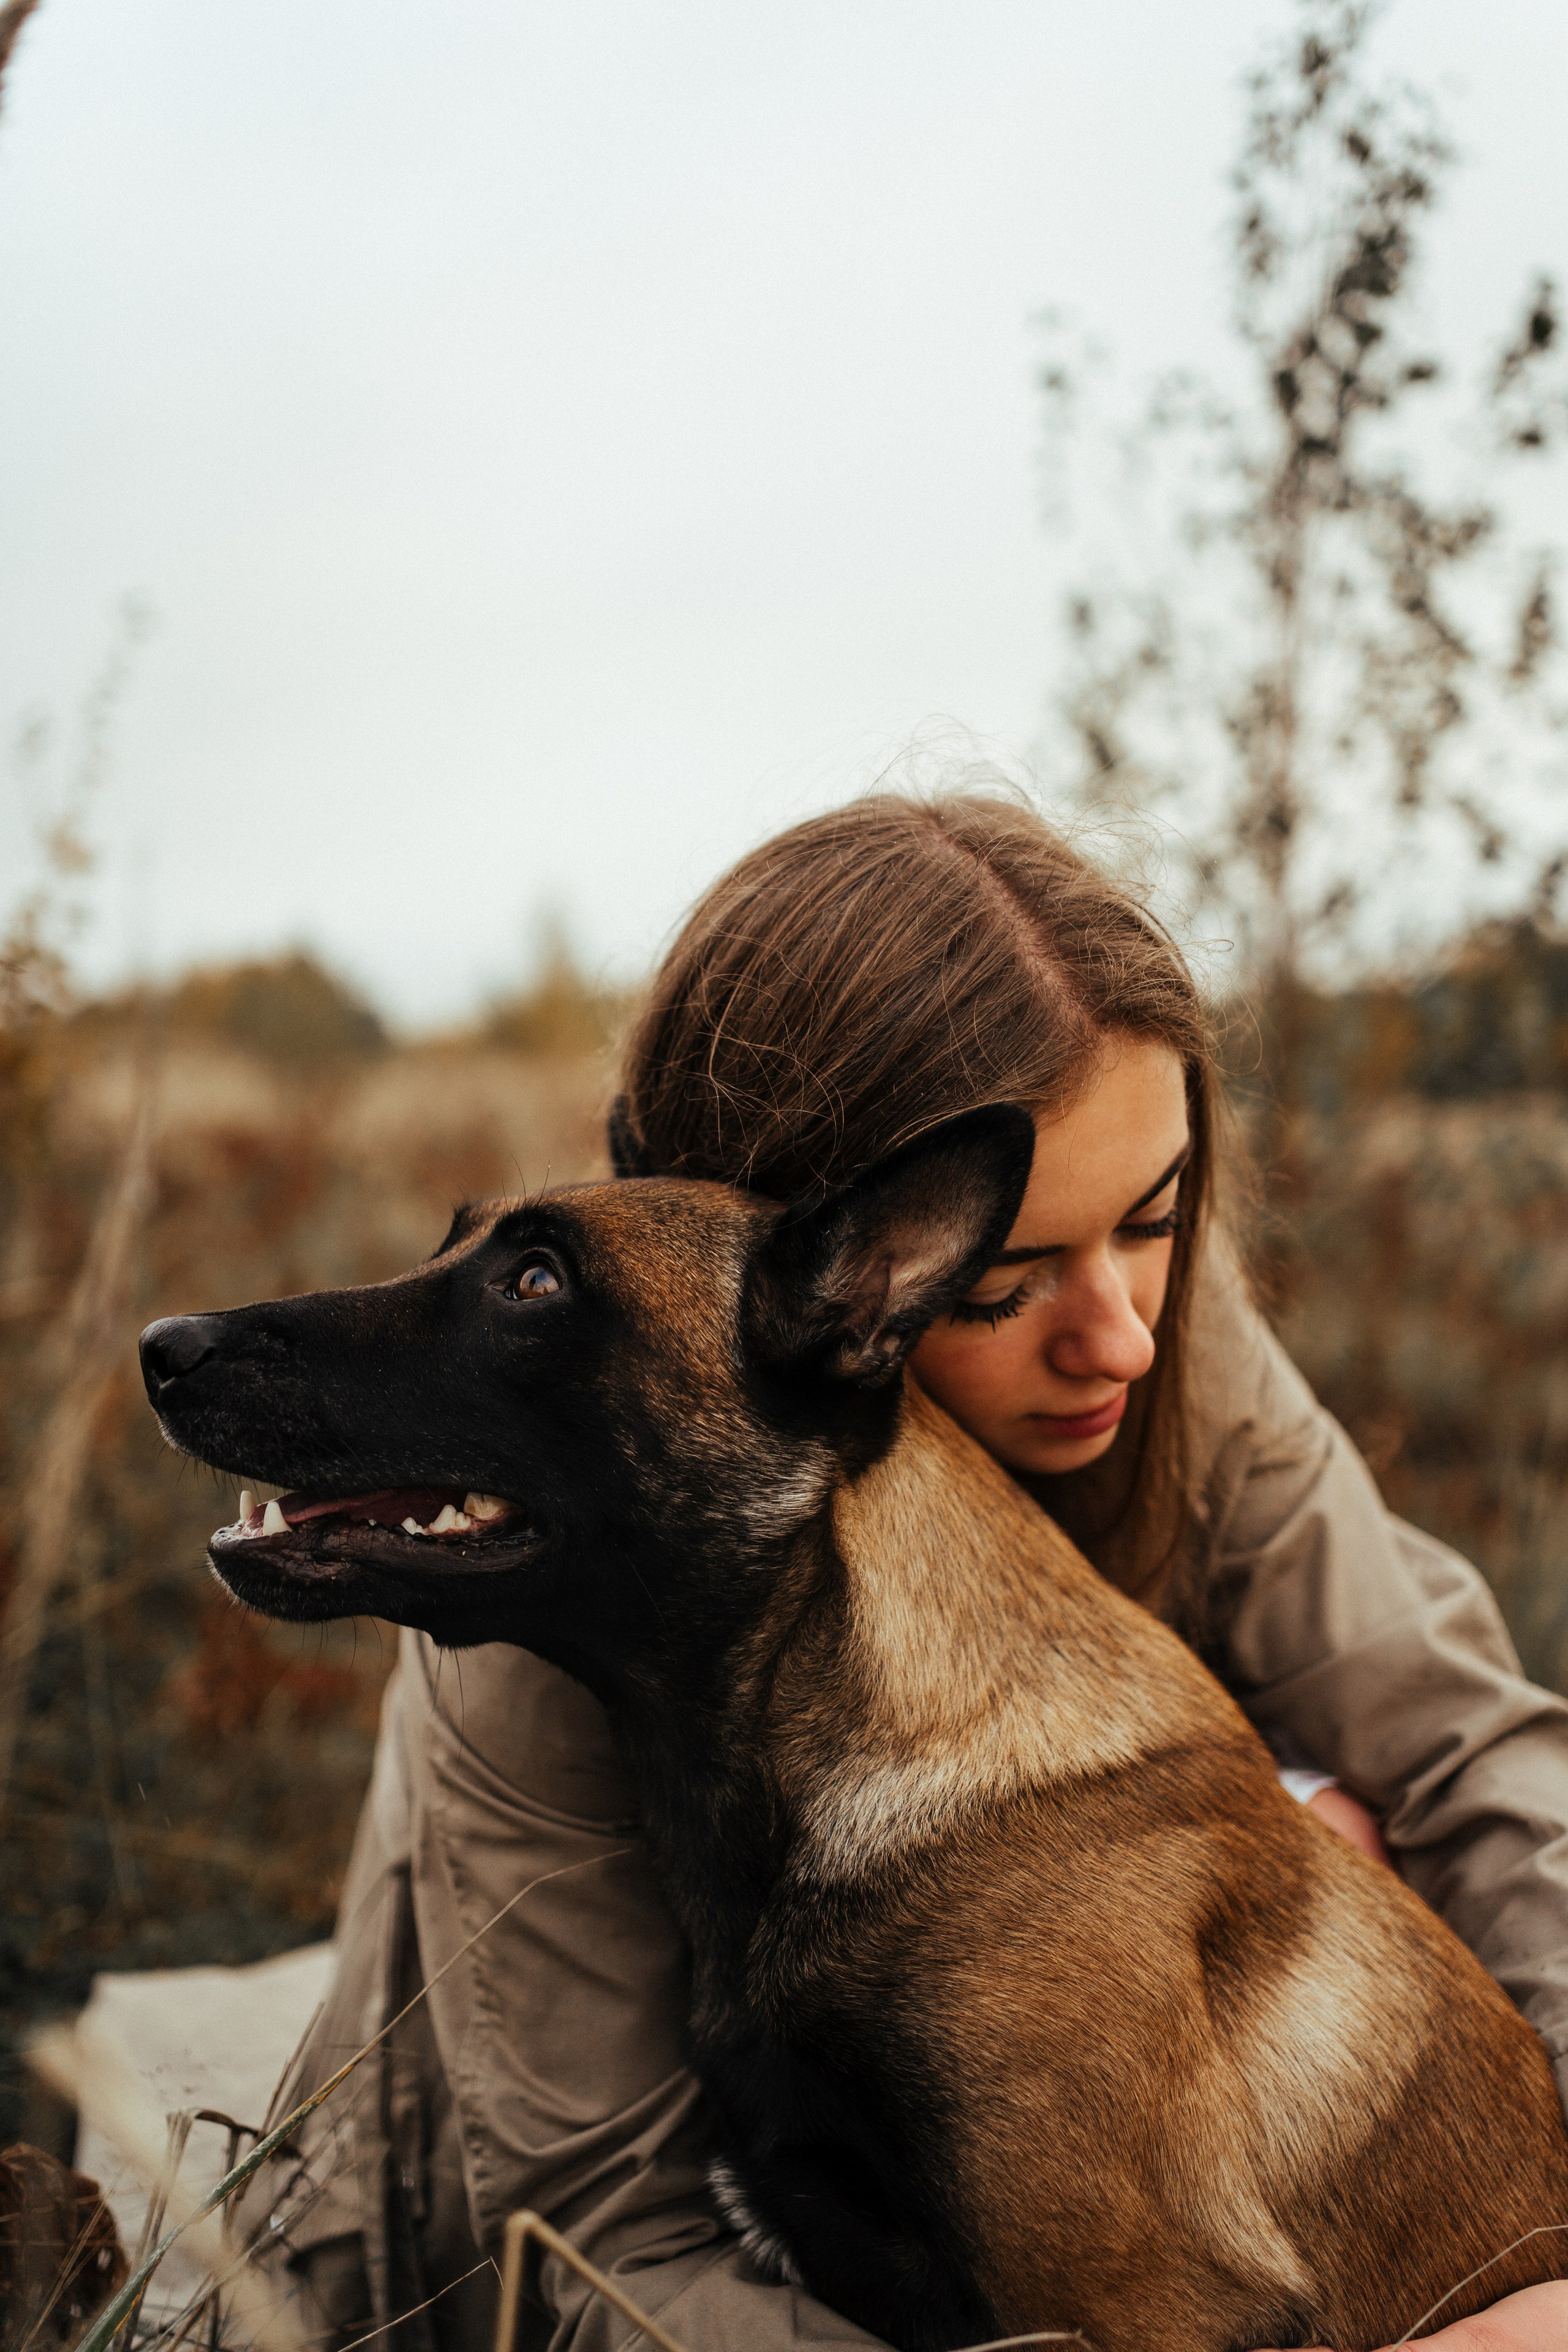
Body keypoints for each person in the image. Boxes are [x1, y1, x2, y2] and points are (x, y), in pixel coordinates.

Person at [235, 793, 1568, 2352]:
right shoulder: (545, 1590)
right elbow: (597, 2248)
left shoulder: (1166, 1356)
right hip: (526, 2256)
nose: (1121, 1331)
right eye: (998, 1279)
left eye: (1154, 1221)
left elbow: (1474, 1754)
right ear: (839, 1265)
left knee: (1325, 1825)